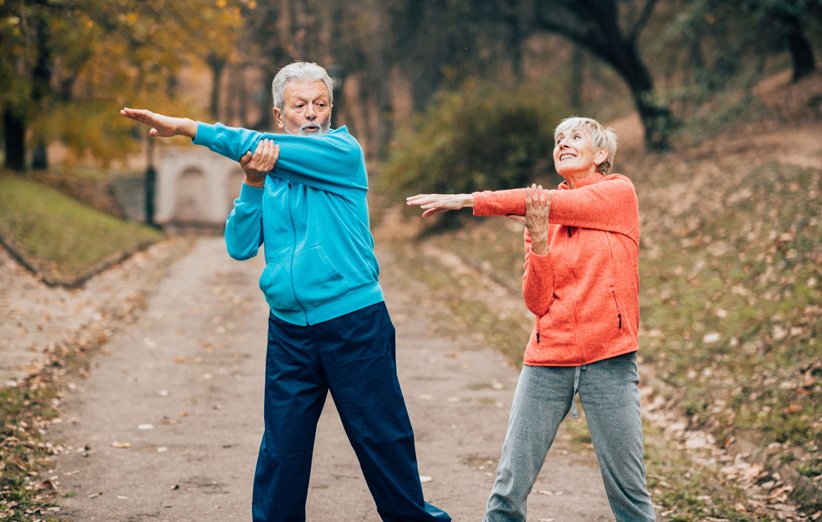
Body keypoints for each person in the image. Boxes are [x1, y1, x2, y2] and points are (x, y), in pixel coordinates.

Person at [121, 61, 450, 522]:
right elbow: (239, 247)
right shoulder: (270, 171)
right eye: (299, 106)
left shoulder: (342, 152)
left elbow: (248, 143)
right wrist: (253, 183)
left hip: (353, 322)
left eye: (320, 104)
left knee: (381, 438)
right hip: (290, 331)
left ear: (331, 109)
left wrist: (183, 127)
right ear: (280, 115)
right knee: (283, 448)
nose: (312, 113)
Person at [406, 116, 656, 521]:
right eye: (558, 138)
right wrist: (538, 240)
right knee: (508, 490)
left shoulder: (618, 194)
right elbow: (536, 302)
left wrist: (469, 200)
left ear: (602, 154)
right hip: (547, 360)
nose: (564, 143)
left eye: (576, 137)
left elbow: (554, 203)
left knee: (630, 495)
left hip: (609, 360)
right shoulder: (541, 219)